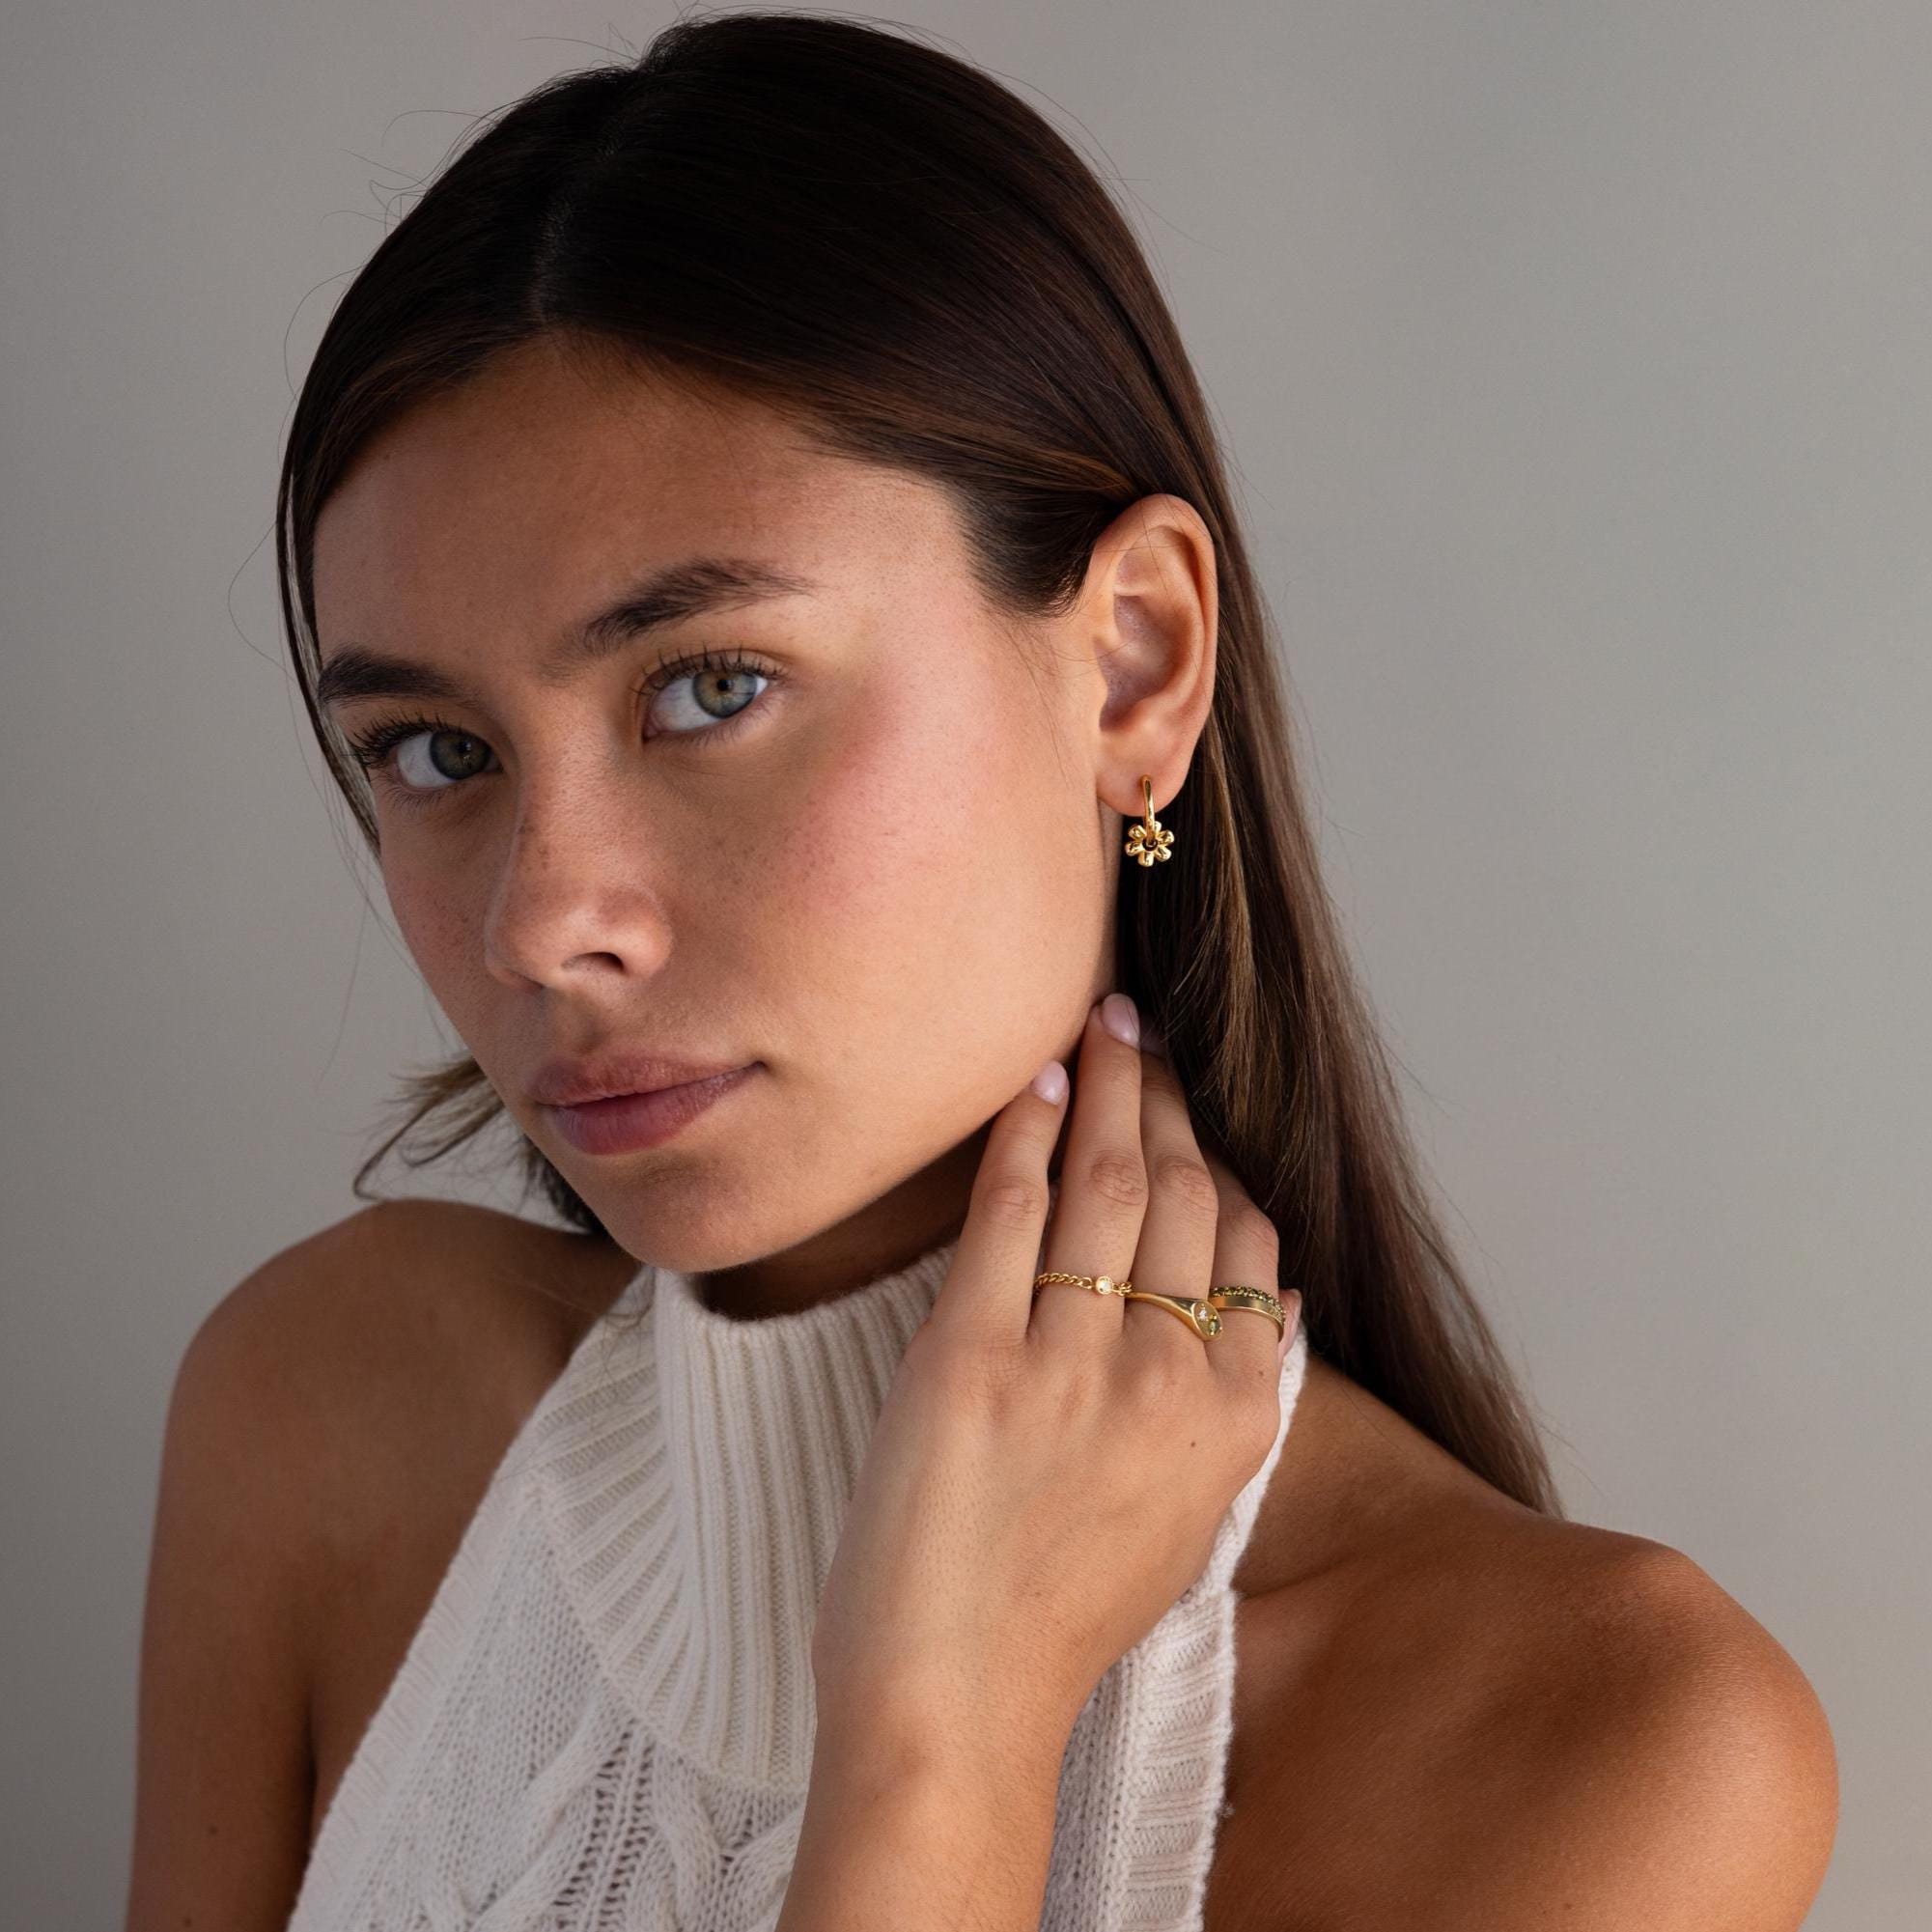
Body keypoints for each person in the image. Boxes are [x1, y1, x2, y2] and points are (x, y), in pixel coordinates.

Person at [125, 14, 1836, 1930]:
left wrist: (950, 1723)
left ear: (1131, 661)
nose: (539, 920)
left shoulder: (1594, 1743)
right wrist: (929, 1737)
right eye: (438, 752)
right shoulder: (326, 1422)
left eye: (709, 686)